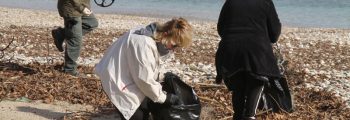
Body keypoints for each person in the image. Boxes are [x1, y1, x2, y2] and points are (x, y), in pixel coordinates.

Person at [94, 18, 193, 120]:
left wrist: (164, 76)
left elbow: (151, 66)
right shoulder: (144, 44)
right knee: (135, 113)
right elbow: (144, 80)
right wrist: (165, 98)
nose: (173, 49)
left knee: (149, 102)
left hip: (129, 73)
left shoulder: (154, 35)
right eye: (174, 45)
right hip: (117, 78)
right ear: (166, 34)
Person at [215, 0, 282, 119]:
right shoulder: (266, 2)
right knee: (257, 80)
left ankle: (239, 115)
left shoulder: (230, 2)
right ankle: (250, 115)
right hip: (257, 53)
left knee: (238, 87)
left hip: (230, 52)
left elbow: (221, 29)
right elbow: (274, 34)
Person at [52, 0, 99, 76]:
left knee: (91, 23)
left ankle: (61, 34)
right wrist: (82, 8)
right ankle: (69, 70)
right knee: (75, 41)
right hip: (71, 9)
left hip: (80, 7)